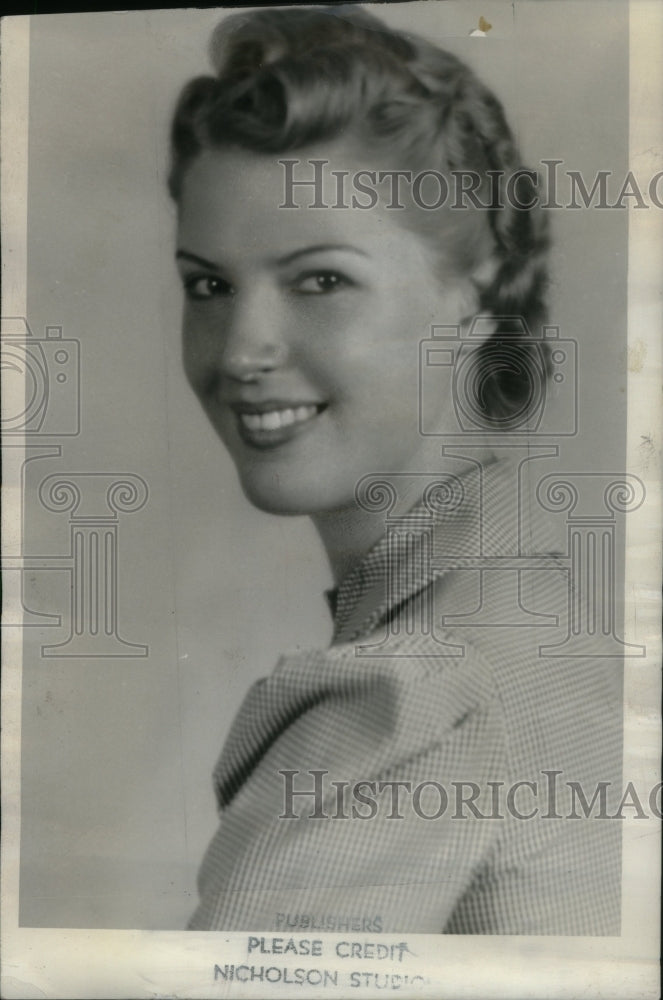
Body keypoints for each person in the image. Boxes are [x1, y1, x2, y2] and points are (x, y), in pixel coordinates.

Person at [168, 5, 621, 934]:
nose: (242, 349)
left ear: (479, 289)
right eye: (209, 284)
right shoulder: (538, 623)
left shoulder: (419, 695)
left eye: (319, 280)